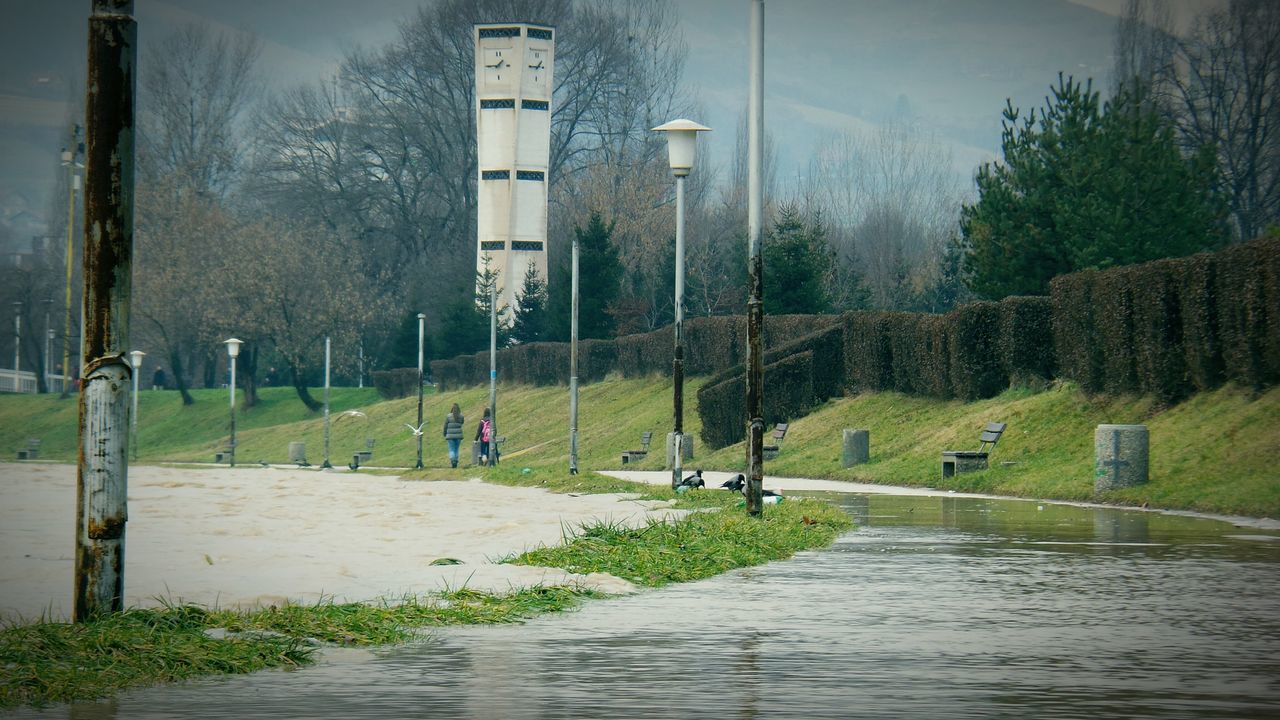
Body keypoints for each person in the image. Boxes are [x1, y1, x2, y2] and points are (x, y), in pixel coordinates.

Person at [442, 403, 465, 468]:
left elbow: (445, 425)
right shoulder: (461, 416)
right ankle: (456, 461)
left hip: (450, 435)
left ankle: (453, 461)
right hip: (458, 436)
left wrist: (444, 433)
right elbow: (462, 422)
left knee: (451, 449)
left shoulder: (448, 416)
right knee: (456, 449)